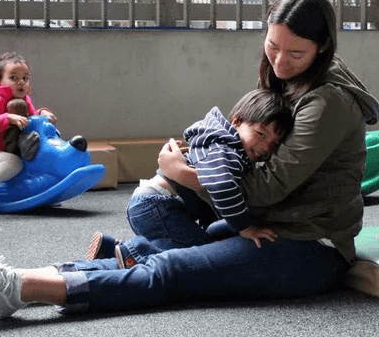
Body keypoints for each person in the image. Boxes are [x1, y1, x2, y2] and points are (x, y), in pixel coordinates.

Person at [0, 0, 379, 319]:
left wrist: (180, 172)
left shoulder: (328, 102)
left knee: (169, 270)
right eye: (271, 46)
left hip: (309, 249)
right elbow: (240, 146)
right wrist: (194, 160)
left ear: (323, 48)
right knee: (162, 255)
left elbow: (265, 187)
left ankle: (19, 289)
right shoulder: (294, 80)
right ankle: (11, 278)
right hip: (266, 227)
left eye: (296, 54)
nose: (279, 64)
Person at [86, 89, 293, 268]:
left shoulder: (224, 144)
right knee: (198, 253)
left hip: (153, 203)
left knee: (199, 243)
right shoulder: (226, 150)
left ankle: (110, 248)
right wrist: (246, 228)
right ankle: (128, 254)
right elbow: (222, 188)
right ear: (236, 121)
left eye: (273, 145)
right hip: (159, 205)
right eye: (261, 134)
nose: (265, 147)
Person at [0, 52, 57, 215]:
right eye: (13, 78)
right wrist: (7, 118)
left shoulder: (24, 100)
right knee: (15, 164)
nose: (21, 82)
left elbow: (31, 117)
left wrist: (42, 114)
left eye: (25, 78)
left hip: (12, 149)